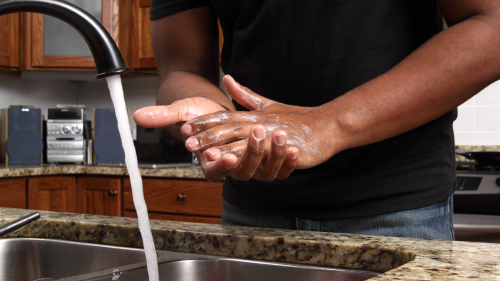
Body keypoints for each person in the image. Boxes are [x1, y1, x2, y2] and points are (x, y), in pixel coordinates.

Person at [134, 0, 500, 240]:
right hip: (251, 216)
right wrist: (218, 127)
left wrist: (326, 125)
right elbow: (181, 68)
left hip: (397, 214)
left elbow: (493, 25)